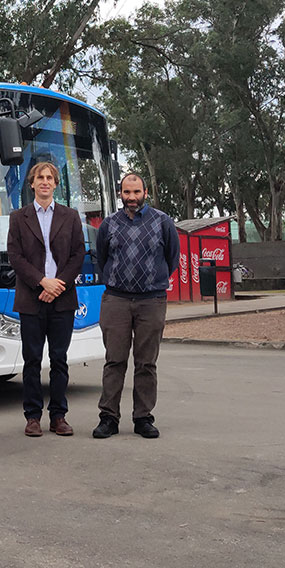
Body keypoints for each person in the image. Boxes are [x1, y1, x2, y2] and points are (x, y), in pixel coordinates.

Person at [92, 173, 179, 439]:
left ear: (145, 192)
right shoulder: (109, 224)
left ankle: (143, 418)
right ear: (120, 194)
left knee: (146, 363)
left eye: (136, 192)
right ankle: (109, 418)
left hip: (151, 301)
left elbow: (172, 259)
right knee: (114, 361)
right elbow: (102, 258)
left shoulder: (163, 222)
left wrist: (152, 282)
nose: (132, 197)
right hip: (116, 300)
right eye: (127, 192)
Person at [7, 160, 86, 437]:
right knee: (31, 360)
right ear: (32, 184)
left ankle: (58, 416)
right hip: (31, 298)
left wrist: (57, 285)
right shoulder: (19, 218)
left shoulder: (70, 216)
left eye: (49, 178)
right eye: (39, 177)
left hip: (62, 299)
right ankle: (32, 416)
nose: (44, 182)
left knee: (59, 359)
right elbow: (15, 256)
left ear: (55, 184)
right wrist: (42, 282)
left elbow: (78, 254)